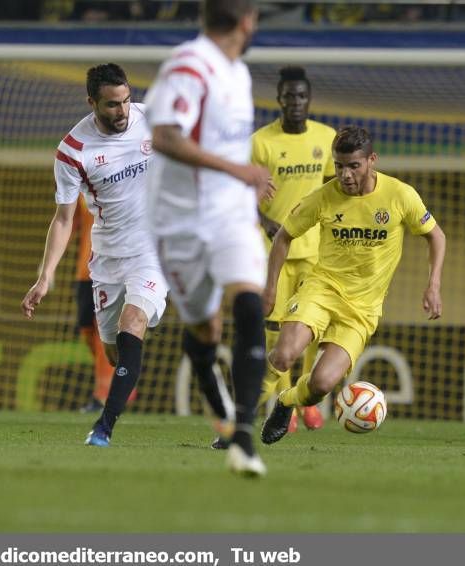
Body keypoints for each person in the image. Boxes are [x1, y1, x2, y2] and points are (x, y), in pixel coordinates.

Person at [143, 0, 274, 477]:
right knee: (206, 330)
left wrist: (237, 181)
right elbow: (164, 137)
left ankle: (243, 436)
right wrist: (236, 168)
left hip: (231, 217)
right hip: (179, 224)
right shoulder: (188, 65)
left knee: (249, 305)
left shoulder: (237, 73)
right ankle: (203, 364)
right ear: (246, 21)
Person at [260, 125, 446, 445]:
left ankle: (287, 402)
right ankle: (238, 414)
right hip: (321, 290)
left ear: (371, 160)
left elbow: (436, 236)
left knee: (321, 384)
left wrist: (433, 284)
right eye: (339, 165)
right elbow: (284, 236)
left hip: (362, 310)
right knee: (283, 354)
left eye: (354, 165)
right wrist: (270, 288)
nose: (345, 175)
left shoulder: (400, 195)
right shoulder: (322, 197)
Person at [20, 63, 170, 447]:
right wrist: (46, 275)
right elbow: (63, 219)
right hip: (106, 258)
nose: (122, 112)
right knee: (112, 348)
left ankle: (104, 426)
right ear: (91, 102)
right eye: (111, 105)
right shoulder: (73, 151)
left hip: (154, 251)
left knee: (132, 321)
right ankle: (127, 362)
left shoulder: (152, 117)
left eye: (125, 101)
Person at [210, 66, 334, 450]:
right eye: (288, 97)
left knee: (312, 331)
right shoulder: (260, 143)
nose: (295, 103)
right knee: (275, 333)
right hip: (273, 250)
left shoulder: (326, 139)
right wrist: (262, 219)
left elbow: (335, 188)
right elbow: (236, 192)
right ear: (279, 100)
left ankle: (300, 397)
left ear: (308, 100)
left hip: (315, 250)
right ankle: (289, 411)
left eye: (301, 96)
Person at [72, 195, 136, 414]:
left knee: (104, 332)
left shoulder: (119, 178)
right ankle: (124, 373)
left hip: (110, 266)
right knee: (86, 330)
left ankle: (104, 394)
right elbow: (68, 222)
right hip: (84, 270)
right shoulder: (77, 181)